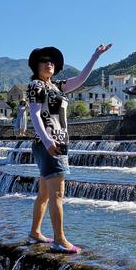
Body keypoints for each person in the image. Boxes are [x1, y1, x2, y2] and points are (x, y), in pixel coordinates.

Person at [27, 43, 112, 253]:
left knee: (45, 193)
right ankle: (59, 240)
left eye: (51, 61)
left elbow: (81, 79)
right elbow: (35, 114)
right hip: (50, 144)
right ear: (36, 66)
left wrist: (95, 56)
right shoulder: (37, 85)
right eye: (44, 61)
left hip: (57, 143)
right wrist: (47, 142)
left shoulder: (57, 86)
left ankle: (35, 232)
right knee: (57, 194)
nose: (49, 64)